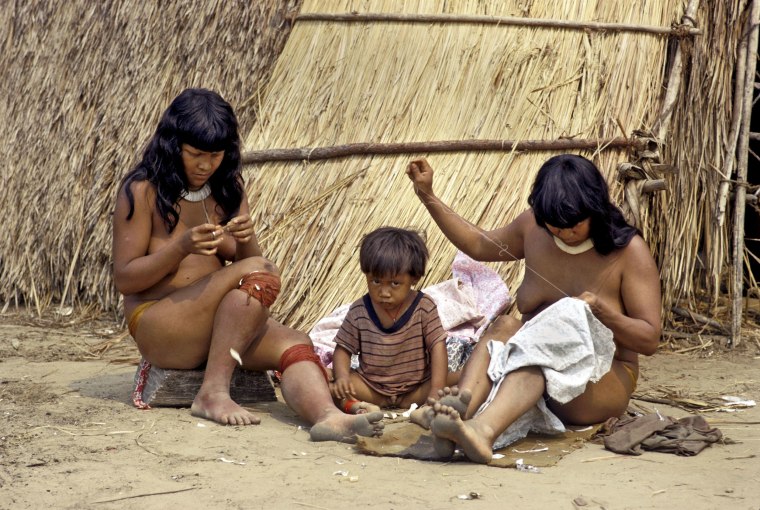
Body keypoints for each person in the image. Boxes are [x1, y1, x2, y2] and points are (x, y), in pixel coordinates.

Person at [112, 88, 383, 442]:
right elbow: (125, 280)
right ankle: (212, 392)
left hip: (221, 327)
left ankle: (329, 417)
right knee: (262, 272)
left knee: (295, 342)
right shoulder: (142, 190)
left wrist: (244, 237)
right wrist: (179, 248)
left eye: (215, 155)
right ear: (173, 145)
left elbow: (250, 265)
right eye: (195, 154)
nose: (206, 165)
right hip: (162, 327)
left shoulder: (228, 186)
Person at [405, 154, 661, 463]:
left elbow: (649, 340)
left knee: (545, 345)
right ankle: (459, 414)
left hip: (599, 383)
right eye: (554, 227)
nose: (564, 234)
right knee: (504, 327)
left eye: (574, 226)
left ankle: (482, 431)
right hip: (525, 377)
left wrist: (601, 313)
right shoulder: (533, 227)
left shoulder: (629, 252)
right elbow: (477, 244)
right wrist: (427, 195)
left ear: (594, 208)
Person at [329, 227, 456, 415]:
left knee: (463, 378)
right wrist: (342, 378)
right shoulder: (359, 310)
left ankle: (428, 410)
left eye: (395, 283)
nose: (384, 292)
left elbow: (438, 346)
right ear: (366, 274)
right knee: (327, 383)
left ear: (414, 278)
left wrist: (435, 390)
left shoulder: (424, 307)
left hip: (416, 390)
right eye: (376, 281)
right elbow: (343, 350)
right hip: (371, 390)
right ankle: (358, 408)